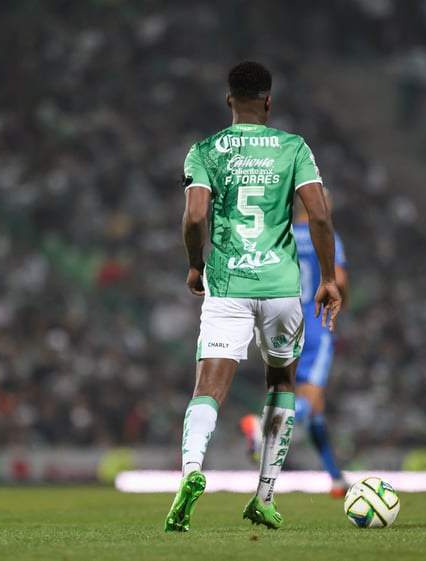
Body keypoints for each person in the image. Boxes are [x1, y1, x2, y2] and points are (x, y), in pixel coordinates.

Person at [164, 61, 342, 532]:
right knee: (282, 384)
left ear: (229, 101)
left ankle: (192, 471)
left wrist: (195, 263)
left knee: (210, 388)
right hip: (283, 288)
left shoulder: (204, 151)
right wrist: (327, 278)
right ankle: (263, 495)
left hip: (228, 286)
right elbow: (320, 218)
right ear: (268, 100)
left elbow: (195, 217)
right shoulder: (293, 147)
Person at [241, 189, 350, 498]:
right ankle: (263, 431)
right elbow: (338, 279)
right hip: (316, 325)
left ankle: (336, 478)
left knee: (311, 407)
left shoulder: (280, 233)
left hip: (282, 322)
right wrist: (345, 300)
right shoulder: (325, 233)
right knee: (309, 401)